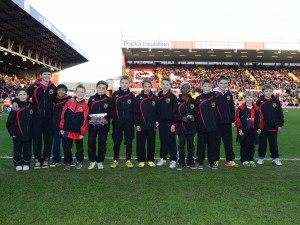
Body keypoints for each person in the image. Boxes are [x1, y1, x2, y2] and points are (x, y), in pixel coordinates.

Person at [13, 67, 57, 169]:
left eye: (49, 74)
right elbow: (23, 95)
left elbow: (59, 97)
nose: (47, 76)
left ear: (50, 75)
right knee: (37, 140)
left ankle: (46, 159)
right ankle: (37, 159)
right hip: (36, 118)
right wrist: (15, 100)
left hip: (49, 119)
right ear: (41, 75)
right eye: (45, 74)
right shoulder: (34, 86)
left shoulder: (53, 87)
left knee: (48, 140)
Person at [60, 84, 89, 170]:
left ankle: (79, 162)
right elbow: (63, 115)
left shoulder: (85, 105)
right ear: (75, 92)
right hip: (67, 130)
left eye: (82, 92)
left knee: (79, 149)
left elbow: (85, 120)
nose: (80, 93)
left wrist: (82, 132)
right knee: (66, 148)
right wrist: (61, 128)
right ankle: (67, 163)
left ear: (84, 93)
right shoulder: (69, 102)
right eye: (78, 91)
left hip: (78, 132)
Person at [213, 76, 239, 168]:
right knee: (216, 142)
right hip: (216, 123)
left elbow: (232, 108)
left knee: (228, 142)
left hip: (227, 122)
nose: (223, 85)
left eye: (225, 83)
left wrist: (232, 120)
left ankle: (229, 160)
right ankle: (215, 160)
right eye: (221, 83)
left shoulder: (229, 94)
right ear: (218, 83)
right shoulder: (214, 94)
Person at [87, 81, 113, 170]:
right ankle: (92, 160)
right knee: (91, 143)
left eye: (103, 88)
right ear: (96, 88)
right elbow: (88, 111)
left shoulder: (109, 100)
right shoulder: (92, 99)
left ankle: (100, 161)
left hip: (104, 126)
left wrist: (107, 116)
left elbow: (112, 113)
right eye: (99, 87)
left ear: (106, 89)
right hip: (92, 126)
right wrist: (89, 118)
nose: (101, 89)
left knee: (102, 143)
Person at [256, 84, 284, 166]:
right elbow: (257, 114)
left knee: (274, 144)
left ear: (272, 91)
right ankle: (261, 157)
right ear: (263, 92)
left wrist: (280, 124)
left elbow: (280, 114)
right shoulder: (259, 101)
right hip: (262, 127)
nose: (268, 93)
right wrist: (258, 126)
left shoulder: (276, 101)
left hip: (273, 126)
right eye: (266, 91)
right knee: (262, 143)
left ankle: (275, 158)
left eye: (270, 91)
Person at [110, 76, 135, 168]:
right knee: (117, 142)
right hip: (117, 123)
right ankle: (115, 160)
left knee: (128, 142)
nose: (124, 85)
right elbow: (111, 108)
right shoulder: (115, 94)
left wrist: (132, 121)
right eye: (123, 83)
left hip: (129, 124)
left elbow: (134, 110)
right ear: (120, 83)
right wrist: (114, 117)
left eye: (126, 83)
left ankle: (128, 160)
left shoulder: (132, 96)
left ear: (129, 84)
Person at [6, 88, 33, 171]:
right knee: (17, 149)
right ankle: (17, 163)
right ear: (17, 96)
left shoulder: (31, 106)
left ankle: (26, 162)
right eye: (20, 94)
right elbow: (10, 121)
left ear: (28, 96)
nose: (22, 96)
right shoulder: (15, 106)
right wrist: (12, 131)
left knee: (27, 148)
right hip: (17, 133)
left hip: (28, 132)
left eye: (24, 94)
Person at [134, 79, 158, 168]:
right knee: (140, 143)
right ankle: (141, 160)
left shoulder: (155, 98)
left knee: (151, 143)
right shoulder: (138, 98)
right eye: (145, 86)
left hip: (152, 125)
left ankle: (151, 160)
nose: (147, 88)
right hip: (141, 125)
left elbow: (157, 111)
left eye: (149, 86)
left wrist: (157, 121)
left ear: (151, 87)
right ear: (142, 87)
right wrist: (137, 124)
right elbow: (135, 112)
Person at [235, 91, 264, 167]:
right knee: (244, 145)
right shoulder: (240, 109)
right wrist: (240, 129)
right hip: (244, 130)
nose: (249, 99)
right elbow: (237, 119)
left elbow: (261, 119)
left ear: (253, 98)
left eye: (251, 97)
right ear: (245, 98)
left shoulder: (257, 109)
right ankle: (244, 160)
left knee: (252, 145)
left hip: (253, 130)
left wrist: (260, 128)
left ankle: (251, 159)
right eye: (247, 97)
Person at [195, 79, 218, 169]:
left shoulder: (214, 98)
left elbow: (217, 112)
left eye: (209, 86)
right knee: (201, 145)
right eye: (205, 86)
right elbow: (196, 113)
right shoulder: (198, 99)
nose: (207, 88)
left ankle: (211, 162)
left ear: (211, 88)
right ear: (202, 87)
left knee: (212, 145)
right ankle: (200, 161)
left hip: (212, 127)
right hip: (202, 127)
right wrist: (198, 124)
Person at [174, 82, 197, 170]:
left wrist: (194, 118)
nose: (186, 90)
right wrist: (181, 118)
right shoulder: (177, 101)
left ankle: (190, 162)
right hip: (181, 128)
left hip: (191, 128)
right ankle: (180, 162)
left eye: (187, 88)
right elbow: (174, 114)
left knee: (191, 146)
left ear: (190, 89)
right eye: (183, 88)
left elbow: (197, 113)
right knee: (181, 145)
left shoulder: (193, 101)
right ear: (181, 89)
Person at [156, 77, 177, 168]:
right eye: (163, 84)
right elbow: (156, 110)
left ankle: (173, 159)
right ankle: (163, 158)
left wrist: (174, 124)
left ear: (170, 86)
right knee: (163, 141)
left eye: (167, 84)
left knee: (171, 141)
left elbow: (175, 111)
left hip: (170, 123)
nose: (165, 86)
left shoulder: (173, 97)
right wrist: (157, 121)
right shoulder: (158, 96)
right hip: (161, 123)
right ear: (161, 85)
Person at [50, 84, 70, 167]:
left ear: (65, 91)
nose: (61, 92)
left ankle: (68, 160)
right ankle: (56, 159)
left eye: (63, 90)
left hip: (66, 127)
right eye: (59, 90)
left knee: (66, 144)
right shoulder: (53, 99)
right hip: (55, 127)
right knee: (56, 144)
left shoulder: (69, 100)